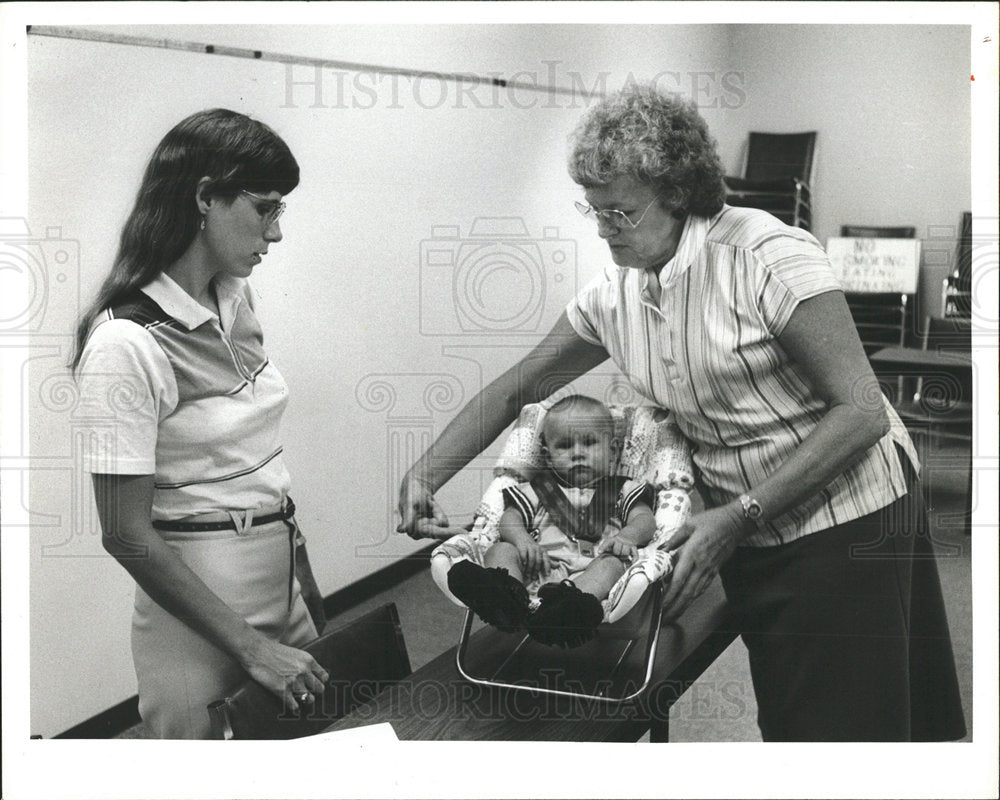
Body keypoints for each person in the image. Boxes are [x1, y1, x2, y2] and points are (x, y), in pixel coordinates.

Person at [398, 85, 966, 741]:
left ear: (679, 195)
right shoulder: (614, 294)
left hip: (846, 512)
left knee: (845, 724)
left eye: (623, 212)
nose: (605, 227)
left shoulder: (762, 256)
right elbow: (513, 387)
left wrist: (740, 514)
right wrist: (424, 475)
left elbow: (863, 412)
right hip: (742, 520)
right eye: (595, 209)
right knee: (795, 709)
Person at [72, 109, 328, 739]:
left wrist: (299, 587)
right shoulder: (125, 342)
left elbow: (253, 460)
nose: (275, 233)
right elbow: (126, 535)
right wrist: (251, 647)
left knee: (309, 750)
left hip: (281, 557)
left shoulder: (235, 295)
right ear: (205, 198)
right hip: (198, 589)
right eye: (265, 208)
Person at [446, 395, 656, 648]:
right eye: (565, 446)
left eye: (589, 443)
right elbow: (509, 519)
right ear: (547, 455)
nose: (578, 453)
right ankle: (503, 598)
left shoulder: (623, 489)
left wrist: (627, 537)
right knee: (500, 548)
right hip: (534, 570)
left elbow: (645, 520)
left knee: (612, 565)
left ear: (612, 450)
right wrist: (522, 540)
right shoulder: (538, 488)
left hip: (589, 574)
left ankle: (569, 613)